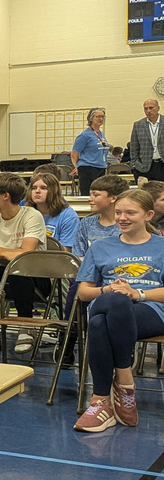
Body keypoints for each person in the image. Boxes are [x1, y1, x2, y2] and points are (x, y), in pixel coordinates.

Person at [73, 189, 164, 433]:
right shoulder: (100, 247)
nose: (122, 218)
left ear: (148, 215)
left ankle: (101, 400)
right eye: (119, 212)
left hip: (151, 309)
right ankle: (124, 381)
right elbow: (83, 293)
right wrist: (110, 289)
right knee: (115, 301)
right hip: (107, 302)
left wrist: (138, 294)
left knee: (99, 324)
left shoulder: (162, 247)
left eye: (130, 213)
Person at [0, 172, 47, 354]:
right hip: (3, 272)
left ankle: (25, 324)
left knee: (17, 267)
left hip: (35, 276)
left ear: (6, 196)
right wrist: (5, 253)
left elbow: (25, 255)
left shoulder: (31, 215)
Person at [58, 174, 130, 365]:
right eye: (90, 194)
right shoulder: (87, 223)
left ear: (113, 198)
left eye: (96, 194)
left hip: (120, 277)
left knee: (82, 286)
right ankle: (69, 338)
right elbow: (80, 256)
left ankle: (72, 338)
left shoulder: (125, 225)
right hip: (91, 275)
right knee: (77, 285)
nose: (90, 198)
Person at [26, 167, 80, 251]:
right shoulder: (26, 213)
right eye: (34, 188)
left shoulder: (68, 216)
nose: (37, 191)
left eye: (43, 188)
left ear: (54, 191)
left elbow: (65, 251)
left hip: (55, 260)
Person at [71, 108, 110, 195]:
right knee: (88, 194)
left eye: (102, 117)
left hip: (101, 167)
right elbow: (74, 154)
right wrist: (76, 167)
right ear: (91, 118)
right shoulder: (84, 135)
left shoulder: (101, 134)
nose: (101, 119)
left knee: (100, 194)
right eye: (98, 116)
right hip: (88, 168)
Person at [130, 99, 163, 182]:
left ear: (158, 108)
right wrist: (136, 164)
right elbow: (134, 148)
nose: (148, 111)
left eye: (151, 108)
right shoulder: (138, 125)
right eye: (146, 108)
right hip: (145, 167)